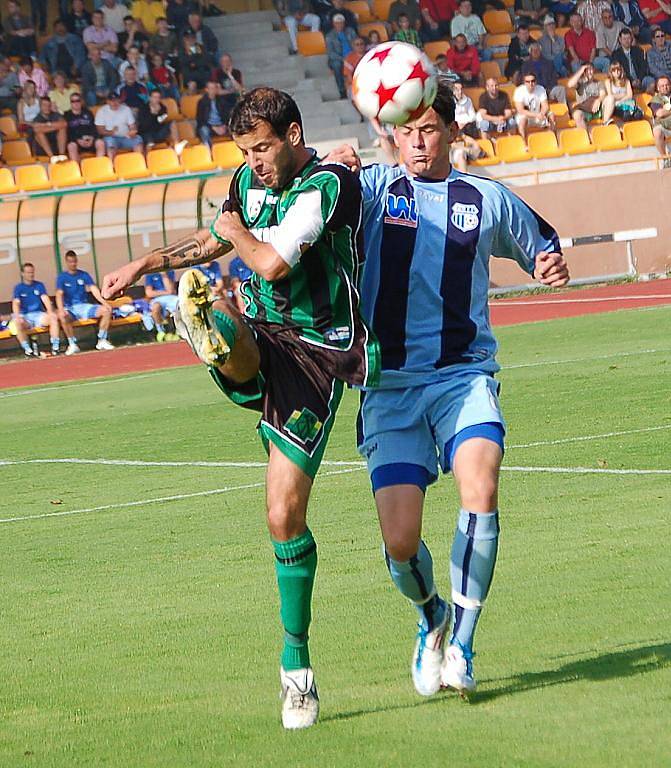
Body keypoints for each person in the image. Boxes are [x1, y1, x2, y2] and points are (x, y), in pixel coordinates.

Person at [100, 86, 380, 731]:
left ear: (293, 134)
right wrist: (144, 263)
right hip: (264, 333)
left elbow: (272, 261)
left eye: (262, 148)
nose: (253, 161)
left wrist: (233, 232)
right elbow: (220, 240)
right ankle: (221, 340)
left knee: (283, 516)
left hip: (317, 354)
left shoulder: (328, 184)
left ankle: (297, 669)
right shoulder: (247, 182)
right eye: (245, 151)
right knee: (225, 311)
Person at [325, 82, 568, 699]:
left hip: (463, 377)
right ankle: (431, 615)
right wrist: (336, 163)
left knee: (481, 488)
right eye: (406, 129)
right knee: (400, 542)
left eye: (429, 128)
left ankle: (462, 640)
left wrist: (548, 264)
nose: (418, 139)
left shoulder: (484, 199)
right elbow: (325, 193)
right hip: (391, 386)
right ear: (390, 134)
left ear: (451, 134)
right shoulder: (377, 190)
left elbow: (542, 243)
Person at [55, 250, 114, 354]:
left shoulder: (83, 275)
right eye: (70, 262)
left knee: (106, 311)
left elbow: (93, 289)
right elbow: (59, 294)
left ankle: (102, 340)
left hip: (85, 307)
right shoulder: (62, 277)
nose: (73, 264)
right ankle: (72, 344)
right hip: (71, 308)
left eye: (74, 261)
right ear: (66, 262)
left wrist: (104, 302)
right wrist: (60, 309)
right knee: (63, 316)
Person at [12, 262, 62, 357]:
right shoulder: (18, 288)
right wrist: (17, 316)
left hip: (39, 315)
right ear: (23, 274)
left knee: (53, 318)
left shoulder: (39, 285)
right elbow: (16, 302)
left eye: (32, 272)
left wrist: (50, 312)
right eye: (28, 272)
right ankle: (28, 350)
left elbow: (45, 298)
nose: (31, 274)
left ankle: (55, 347)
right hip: (26, 316)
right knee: (17, 322)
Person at [96, 90, 143, 158]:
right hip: (111, 137)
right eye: (112, 101)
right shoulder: (101, 111)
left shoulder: (126, 109)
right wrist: (111, 132)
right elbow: (100, 130)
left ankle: (139, 163)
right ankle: (112, 167)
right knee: (110, 144)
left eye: (116, 100)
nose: (114, 103)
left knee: (138, 140)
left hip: (126, 137)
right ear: (107, 101)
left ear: (119, 100)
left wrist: (132, 132)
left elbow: (132, 125)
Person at [65, 90, 106, 161]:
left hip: (89, 139)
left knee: (100, 143)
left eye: (77, 100)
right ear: (70, 103)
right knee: (71, 146)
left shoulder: (88, 112)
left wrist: (92, 138)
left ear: (81, 101)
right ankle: (77, 169)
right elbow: (67, 132)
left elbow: (94, 128)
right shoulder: (67, 115)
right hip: (76, 141)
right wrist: (78, 140)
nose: (76, 103)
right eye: (73, 101)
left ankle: (99, 166)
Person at [611, 26, 655, 92]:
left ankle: (648, 99)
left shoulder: (638, 50)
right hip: (626, 80)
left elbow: (643, 66)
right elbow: (619, 71)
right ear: (620, 40)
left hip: (640, 79)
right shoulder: (616, 54)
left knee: (651, 81)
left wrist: (639, 79)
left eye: (628, 38)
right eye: (624, 39)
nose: (627, 41)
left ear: (631, 39)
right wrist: (631, 81)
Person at [514, 72, 556, 138]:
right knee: (522, 121)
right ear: (524, 82)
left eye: (533, 81)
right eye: (528, 81)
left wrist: (542, 113)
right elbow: (520, 110)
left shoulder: (541, 89)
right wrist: (536, 115)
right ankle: (524, 144)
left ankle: (552, 138)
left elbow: (545, 106)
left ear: (536, 82)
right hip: (526, 116)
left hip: (539, 114)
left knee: (552, 115)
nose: (531, 83)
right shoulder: (519, 91)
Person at [326, 13, 357, 98]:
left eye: (341, 23)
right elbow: (331, 53)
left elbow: (356, 43)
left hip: (352, 55)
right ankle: (342, 90)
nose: (340, 25)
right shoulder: (330, 36)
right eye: (337, 23)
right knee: (337, 65)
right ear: (334, 24)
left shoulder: (350, 31)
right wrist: (343, 59)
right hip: (339, 58)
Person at [142, 270, 179, 340]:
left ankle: (178, 330)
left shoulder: (170, 272)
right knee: (156, 308)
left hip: (171, 298)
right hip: (157, 299)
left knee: (179, 305)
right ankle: (161, 331)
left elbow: (171, 290)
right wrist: (165, 292)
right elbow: (149, 293)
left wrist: (164, 275)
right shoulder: (150, 274)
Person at [30, 96, 69, 162]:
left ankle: (62, 155)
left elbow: (64, 124)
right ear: (40, 106)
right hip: (44, 148)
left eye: (48, 105)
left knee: (62, 129)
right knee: (39, 134)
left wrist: (46, 125)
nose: (47, 107)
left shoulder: (56, 115)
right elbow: (37, 129)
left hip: (57, 143)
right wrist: (56, 126)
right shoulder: (37, 119)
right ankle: (52, 157)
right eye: (44, 105)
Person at [568, 62, 606, 128]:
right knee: (577, 114)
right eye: (587, 70)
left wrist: (598, 100)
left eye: (591, 69)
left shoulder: (599, 83)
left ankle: (606, 123)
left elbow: (603, 94)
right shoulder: (580, 83)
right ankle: (585, 136)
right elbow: (570, 85)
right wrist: (581, 70)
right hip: (584, 109)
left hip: (596, 109)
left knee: (610, 99)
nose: (589, 72)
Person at [196, 80, 231, 145]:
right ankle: (208, 152)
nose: (213, 90)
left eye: (215, 88)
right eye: (211, 88)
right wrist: (213, 127)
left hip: (221, 125)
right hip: (209, 127)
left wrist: (224, 126)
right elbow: (200, 120)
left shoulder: (221, 101)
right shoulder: (202, 102)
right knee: (204, 130)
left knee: (234, 129)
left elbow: (227, 116)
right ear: (207, 89)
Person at [594, 6, 620, 71]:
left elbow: (629, 33)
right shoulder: (599, 28)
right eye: (605, 18)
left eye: (610, 17)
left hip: (617, 54)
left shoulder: (619, 25)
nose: (608, 19)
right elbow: (603, 47)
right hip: (605, 56)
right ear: (602, 19)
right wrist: (616, 57)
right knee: (609, 62)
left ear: (613, 17)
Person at [344, 36, 366, 102]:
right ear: (353, 46)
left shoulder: (370, 55)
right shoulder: (349, 58)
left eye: (361, 44)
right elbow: (349, 77)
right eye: (357, 44)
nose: (360, 46)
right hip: (354, 85)